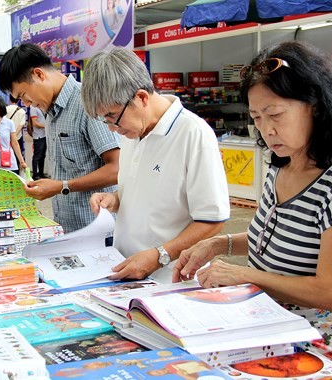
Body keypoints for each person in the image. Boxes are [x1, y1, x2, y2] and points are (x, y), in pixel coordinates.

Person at [174, 41, 332, 370]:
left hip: (316, 352)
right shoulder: (281, 163)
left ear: (315, 106)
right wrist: (221, 243)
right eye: (257, 117)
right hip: (266, 332)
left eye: (275, 114)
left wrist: (245, 275)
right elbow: (283, 236)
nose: (266, 129)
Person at [81, 47, 229, 281]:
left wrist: (160, 256)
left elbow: (212, 220)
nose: (111, 128)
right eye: (104, 119)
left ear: (141, 98)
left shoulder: (193, 133)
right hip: (126, 271)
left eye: (112, 117)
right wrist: (115, 200)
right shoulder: (132, 131)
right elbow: (146, 192)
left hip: (171, 281)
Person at [0, 43, 120, 233]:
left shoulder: (86, 103)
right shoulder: (51, 112)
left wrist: (61, 186)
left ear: (39, 74)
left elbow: (116, 168)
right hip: (67, 229)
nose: (27, 103)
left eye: (24, 95)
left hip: (98, 232)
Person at [6, 94, 27, 168]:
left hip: (6, 137)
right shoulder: (22, 111)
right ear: (18, 100)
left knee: (7, 156)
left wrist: (10, 136)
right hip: (18, 138)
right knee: (18, 156)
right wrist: (14, 136)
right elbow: (21, 125)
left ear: (10, 99)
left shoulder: (6, 109)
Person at [29, 105, 47, 180]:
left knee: (42, 155)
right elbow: (35, 123)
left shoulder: (41, 106)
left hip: (44, 135)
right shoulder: (33, 108)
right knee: (37, 156)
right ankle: (35, 174)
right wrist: (46, 126)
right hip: (38, 135)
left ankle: (41, 173)